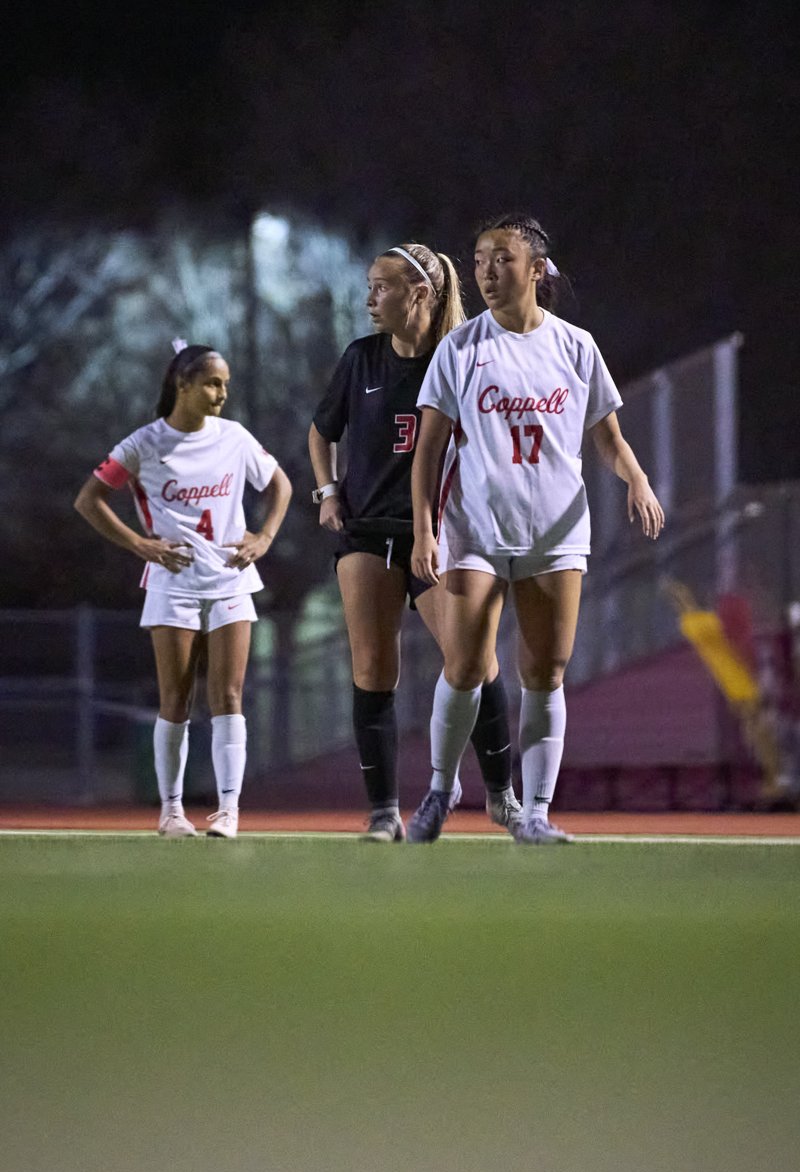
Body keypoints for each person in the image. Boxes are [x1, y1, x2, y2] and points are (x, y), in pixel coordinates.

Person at [408, 213, 665, 844]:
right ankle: (441, 790)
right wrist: (424, 527)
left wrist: (637, 478)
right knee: (465, 664)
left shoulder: (575, 346)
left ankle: (537, 814)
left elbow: (607, 436)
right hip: (476, 529)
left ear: (537, 268)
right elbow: (428, 449)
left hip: (554, 531)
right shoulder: (461, 347)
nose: (488, 272)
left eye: (502, 259)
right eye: (478, 261)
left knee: (545, 672)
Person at [308, 243, 521, 842]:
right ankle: (382, 814)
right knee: (374, 668)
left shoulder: (462, 358)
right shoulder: (361, 359)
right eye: (370, 286)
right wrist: (326, 492)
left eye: (383, 287)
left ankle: (502, 795)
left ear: (420, 293)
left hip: (445, 535)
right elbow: (321, 432)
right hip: (369, 533)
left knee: (474, 661)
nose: (370, 298)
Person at [74, 343, 292, 838]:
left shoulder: (235, 437)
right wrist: (140, 545)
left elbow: (280, 485)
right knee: (176, 698)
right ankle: (171, 812)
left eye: (226, 385)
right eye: (214, 384)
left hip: (232, 578)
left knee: (230, 695)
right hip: (173, 584)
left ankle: (229, 812)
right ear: (183, 385)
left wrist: (263, 538)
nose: (222, 394)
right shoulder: (144, 443)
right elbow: (89, 500)